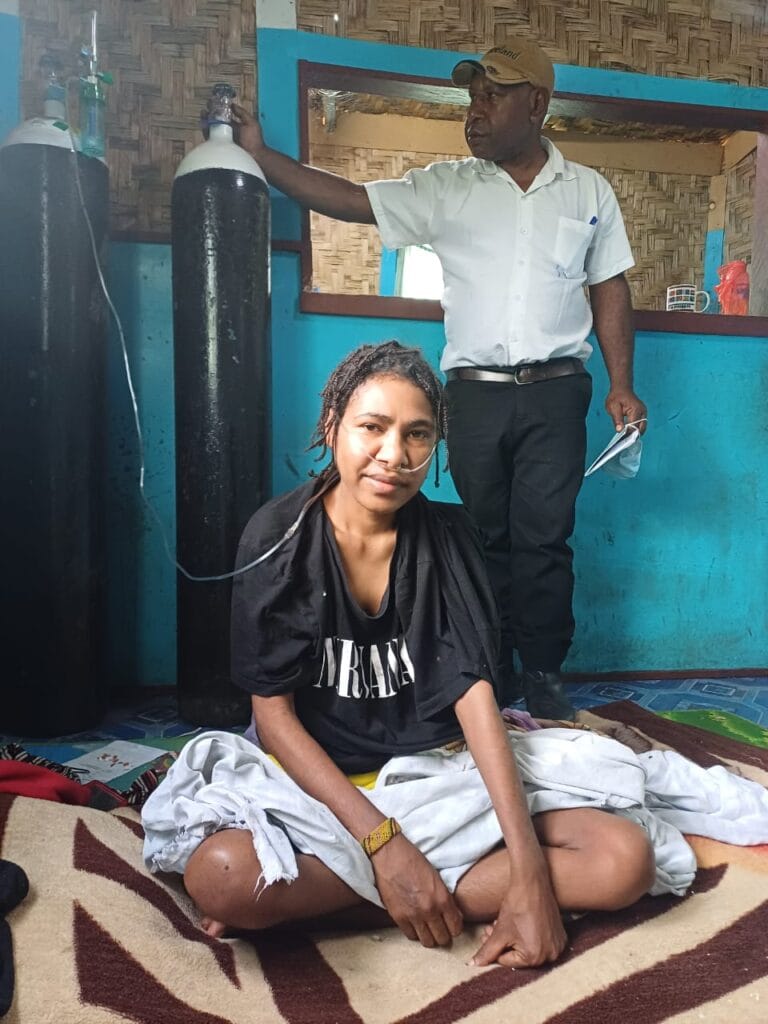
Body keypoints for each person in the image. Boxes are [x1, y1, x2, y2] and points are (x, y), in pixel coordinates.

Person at [141, 341, 680, 971]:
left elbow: (475, 698)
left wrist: (530, 873)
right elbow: (277, 721)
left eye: (417, 435)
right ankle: (413, 890)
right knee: (226, 874)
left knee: (623, 860)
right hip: (329, 789)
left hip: (440, 774)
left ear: (436, 444)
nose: (394, 455)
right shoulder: (279, 536)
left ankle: (349, 905)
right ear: (333, 424)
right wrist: (384, 847)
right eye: (372, 427)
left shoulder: (450, 538)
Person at [228, 37, 648, 722]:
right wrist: (262, 157)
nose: (475, 111)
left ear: (536, 103)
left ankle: (541, 673)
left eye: (492, 96)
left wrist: (620, 383)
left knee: (545, 537)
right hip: (476, 394)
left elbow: (610, 287)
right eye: (471, 97)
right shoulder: (447, 187)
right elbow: (348, 199)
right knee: (481, 537)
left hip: (556, 389)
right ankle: (485, 669)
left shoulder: (588, 191)